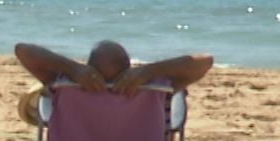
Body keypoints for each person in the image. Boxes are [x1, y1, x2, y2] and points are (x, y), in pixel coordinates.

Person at [15, 41, 214, 98]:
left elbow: (22, 50)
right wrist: (147, 72)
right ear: (129, 70)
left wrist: (73, 69)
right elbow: (206, 61)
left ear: (89, 67)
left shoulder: (65, 84)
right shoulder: (155, 88)